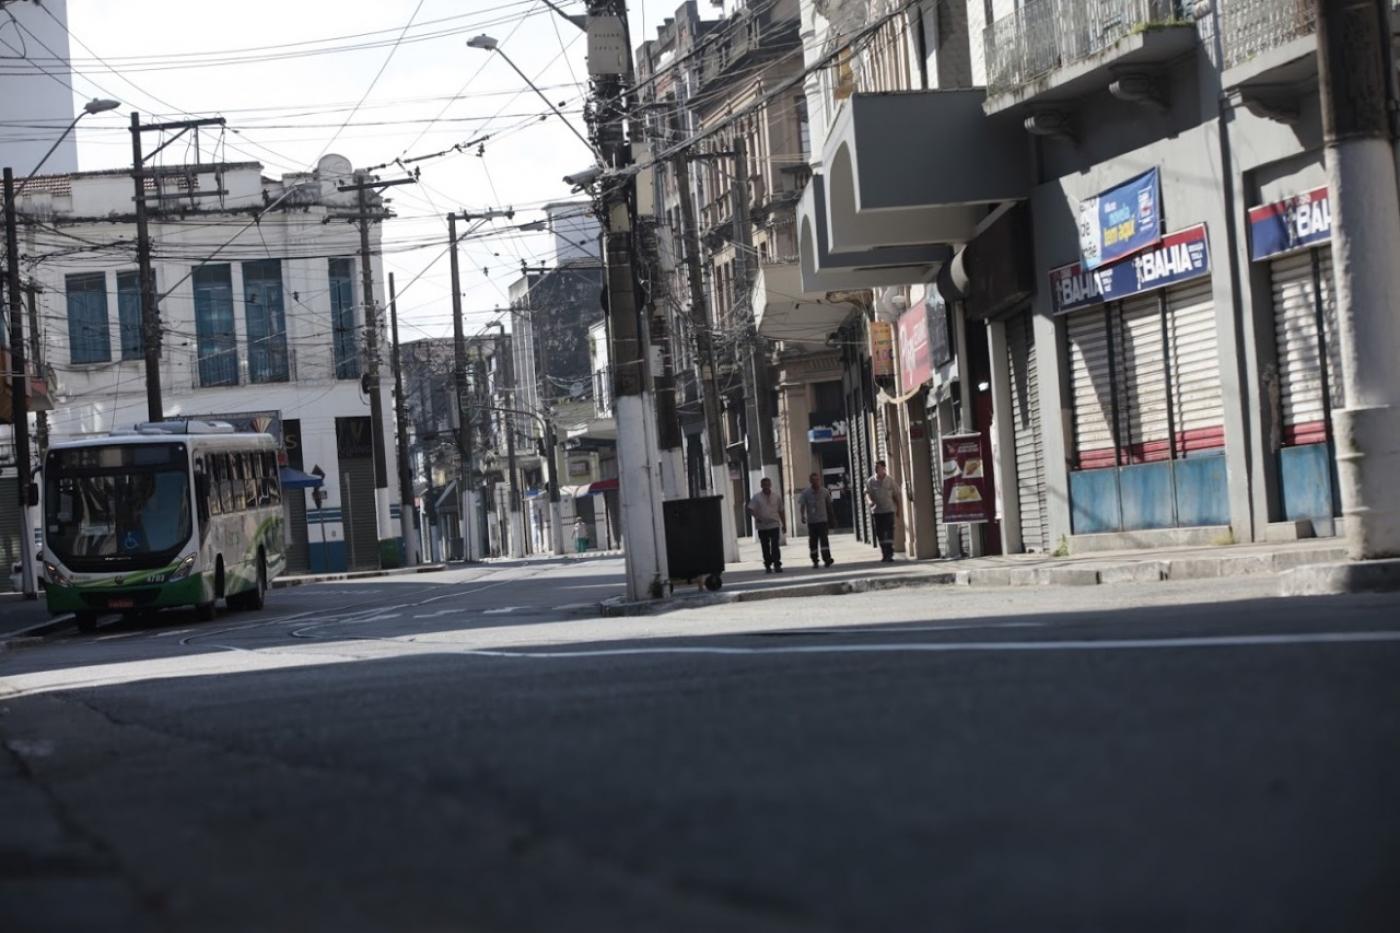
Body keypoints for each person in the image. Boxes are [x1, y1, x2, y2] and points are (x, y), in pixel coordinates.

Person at [746, 476, 786, 573]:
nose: (766, 487)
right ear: (761, 486)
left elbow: (781, 510)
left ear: (770, 485)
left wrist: (784, 524)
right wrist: (756, 517)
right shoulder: (756, 497)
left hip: (774, 524)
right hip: (762, 526)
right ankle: (768, 565)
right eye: (764, 485)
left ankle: (777, 564)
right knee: (765, 546)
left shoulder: (776, 496)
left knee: (775, 545)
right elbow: (750, 509)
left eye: (768, 484)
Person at [797, 472, 835, 568]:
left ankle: (827, 559)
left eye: (817, 480)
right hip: (812, 522)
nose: (816, 482)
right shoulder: (806, 493)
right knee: (813, 542)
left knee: (824, 540)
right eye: (813, 480)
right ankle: (815, 560)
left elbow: (829, 505)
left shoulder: (825, 492)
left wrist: (832, 518)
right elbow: (802, 505)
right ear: (810, 481)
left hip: (823, 520)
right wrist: (802, 516)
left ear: (820, 480)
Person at [865, 459, 899, 562]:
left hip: (889, 510)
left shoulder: (890, 480)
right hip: (877, 511)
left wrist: (899, 510)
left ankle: (889, 553)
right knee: (880, 533)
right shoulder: (871, 481)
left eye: (878, 467)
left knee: (888, 532)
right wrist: (870, 501)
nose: (876, 469)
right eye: (875, 467)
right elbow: (867, 493)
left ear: (883, 468)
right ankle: (884, 553)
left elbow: (896, 496)